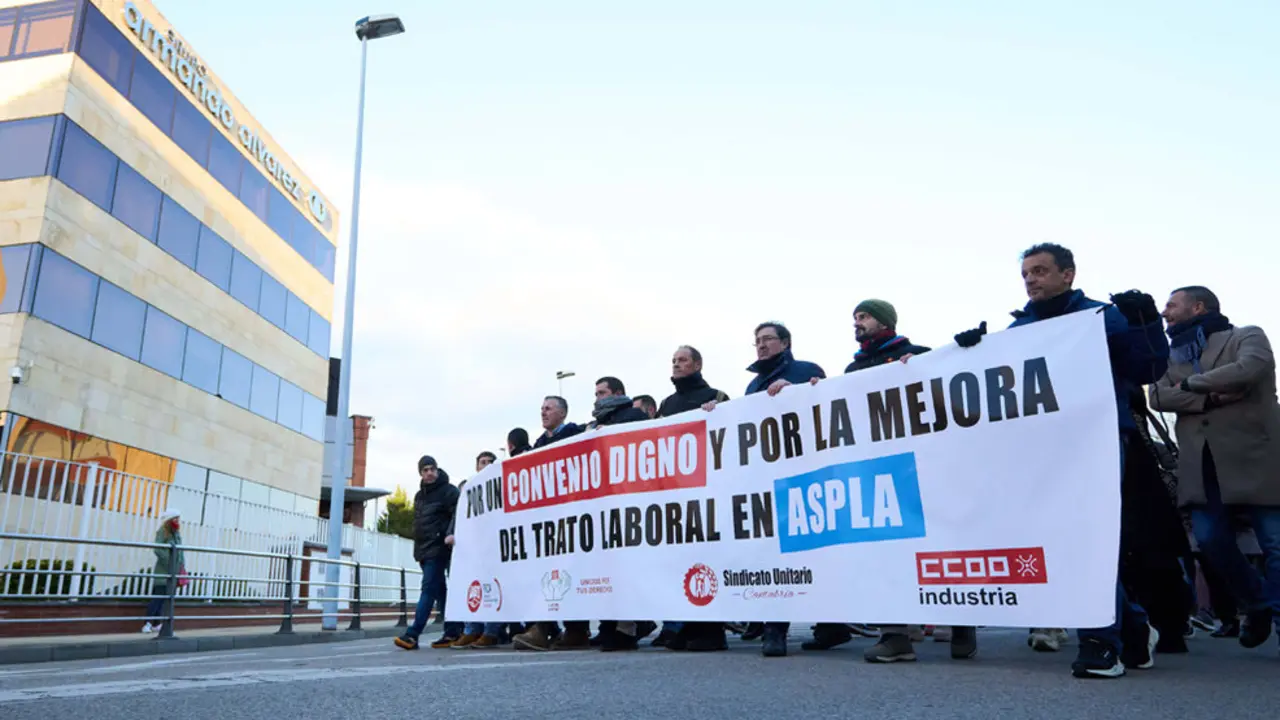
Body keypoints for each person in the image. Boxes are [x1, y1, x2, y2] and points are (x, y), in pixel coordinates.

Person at [953, 243, 1169, 679]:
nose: (1031, 280)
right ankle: (1133, 625)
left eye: (1040, 271)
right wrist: (972, 355)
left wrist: (1146, 324)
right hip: (1041, 449)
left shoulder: (1103, 316)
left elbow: (1148, 370)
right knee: (1062, 542)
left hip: (1098, 440)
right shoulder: (1018, 330)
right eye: (1026, 274)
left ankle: (1099, 643)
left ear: (1067, 275)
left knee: (1089, 540)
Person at [1148, 286, 1280, 653]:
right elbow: (1157, 396)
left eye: (1172, 305)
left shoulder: (1246, 335)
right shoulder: (1168, 353)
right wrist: (1210, 395)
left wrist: (1189, 385)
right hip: (1202, 466)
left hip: (1256, 458)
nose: (1164, 312)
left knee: (1275, 543)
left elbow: (1250, 369)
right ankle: (1257, 604)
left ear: (1198, 306)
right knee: (1209, 541)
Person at [743, 321, 826, 657]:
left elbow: (824, 401)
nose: (761, 346)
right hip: (768, 475)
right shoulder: (752, 385)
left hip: (806, 472)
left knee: (820, 551)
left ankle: (831, 626)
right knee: (773, 552)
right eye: (757, 341)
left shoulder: (807, 370)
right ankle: (773, 629)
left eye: (767, 340)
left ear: (785, 342)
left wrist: (795, 388)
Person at [655, 345, 732, 651]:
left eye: (682, 360)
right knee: (680, 561)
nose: (676, 364)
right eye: (673, 360)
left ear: (697, 364)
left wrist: (719, 415)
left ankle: (712, 630)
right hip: (675, 492)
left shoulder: (716, 397)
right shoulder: (667, 403)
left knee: (706, 558)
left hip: (706, 489)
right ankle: (687, 625)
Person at [513, 399, 585, 651]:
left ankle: (577, 630)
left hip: (572, 516)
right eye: (541, 408)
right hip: (547, 522)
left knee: (573, 574)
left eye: (549, 408)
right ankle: (544, 629)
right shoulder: (539, 445)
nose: (543, 412)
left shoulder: (575, 434)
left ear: (563, 413)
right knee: (545, 575)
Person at [394, 456, 461, 651]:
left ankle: (412, 634)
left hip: (440, 548)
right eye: (425, 470)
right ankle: (452, 631)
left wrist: (450, 534)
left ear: (437, 470)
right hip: (424, 550)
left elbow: (459, 514)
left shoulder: (449, 491)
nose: (429, 473)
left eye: (432, 469)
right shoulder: (419, 496)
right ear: (420, 473)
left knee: (428, 590)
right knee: (441, 593)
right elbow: (419, 524)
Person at [452, 452, 505, 649]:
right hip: (474, 547)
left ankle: (491, 631)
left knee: (492, 588)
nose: (486, 465)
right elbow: (459, 518)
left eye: (490, 462)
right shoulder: (469, 489)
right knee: (472, 588)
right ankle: (471, 629)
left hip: (493, 546)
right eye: (482, 462)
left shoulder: (500, 486)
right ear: (476, 467)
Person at [142, 509, 184, 633]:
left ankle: (156, 623)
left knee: (166, 599)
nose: (177, 521)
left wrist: (181, 566)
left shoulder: (176, 534)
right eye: (175, 518)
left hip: (174, 572)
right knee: (157, 598)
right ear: (170, 520)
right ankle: (147, 623)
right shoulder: (162, 532)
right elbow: (158, 549)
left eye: (178, 518)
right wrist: (169, 560)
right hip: (163, 571)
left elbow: (180, 552)